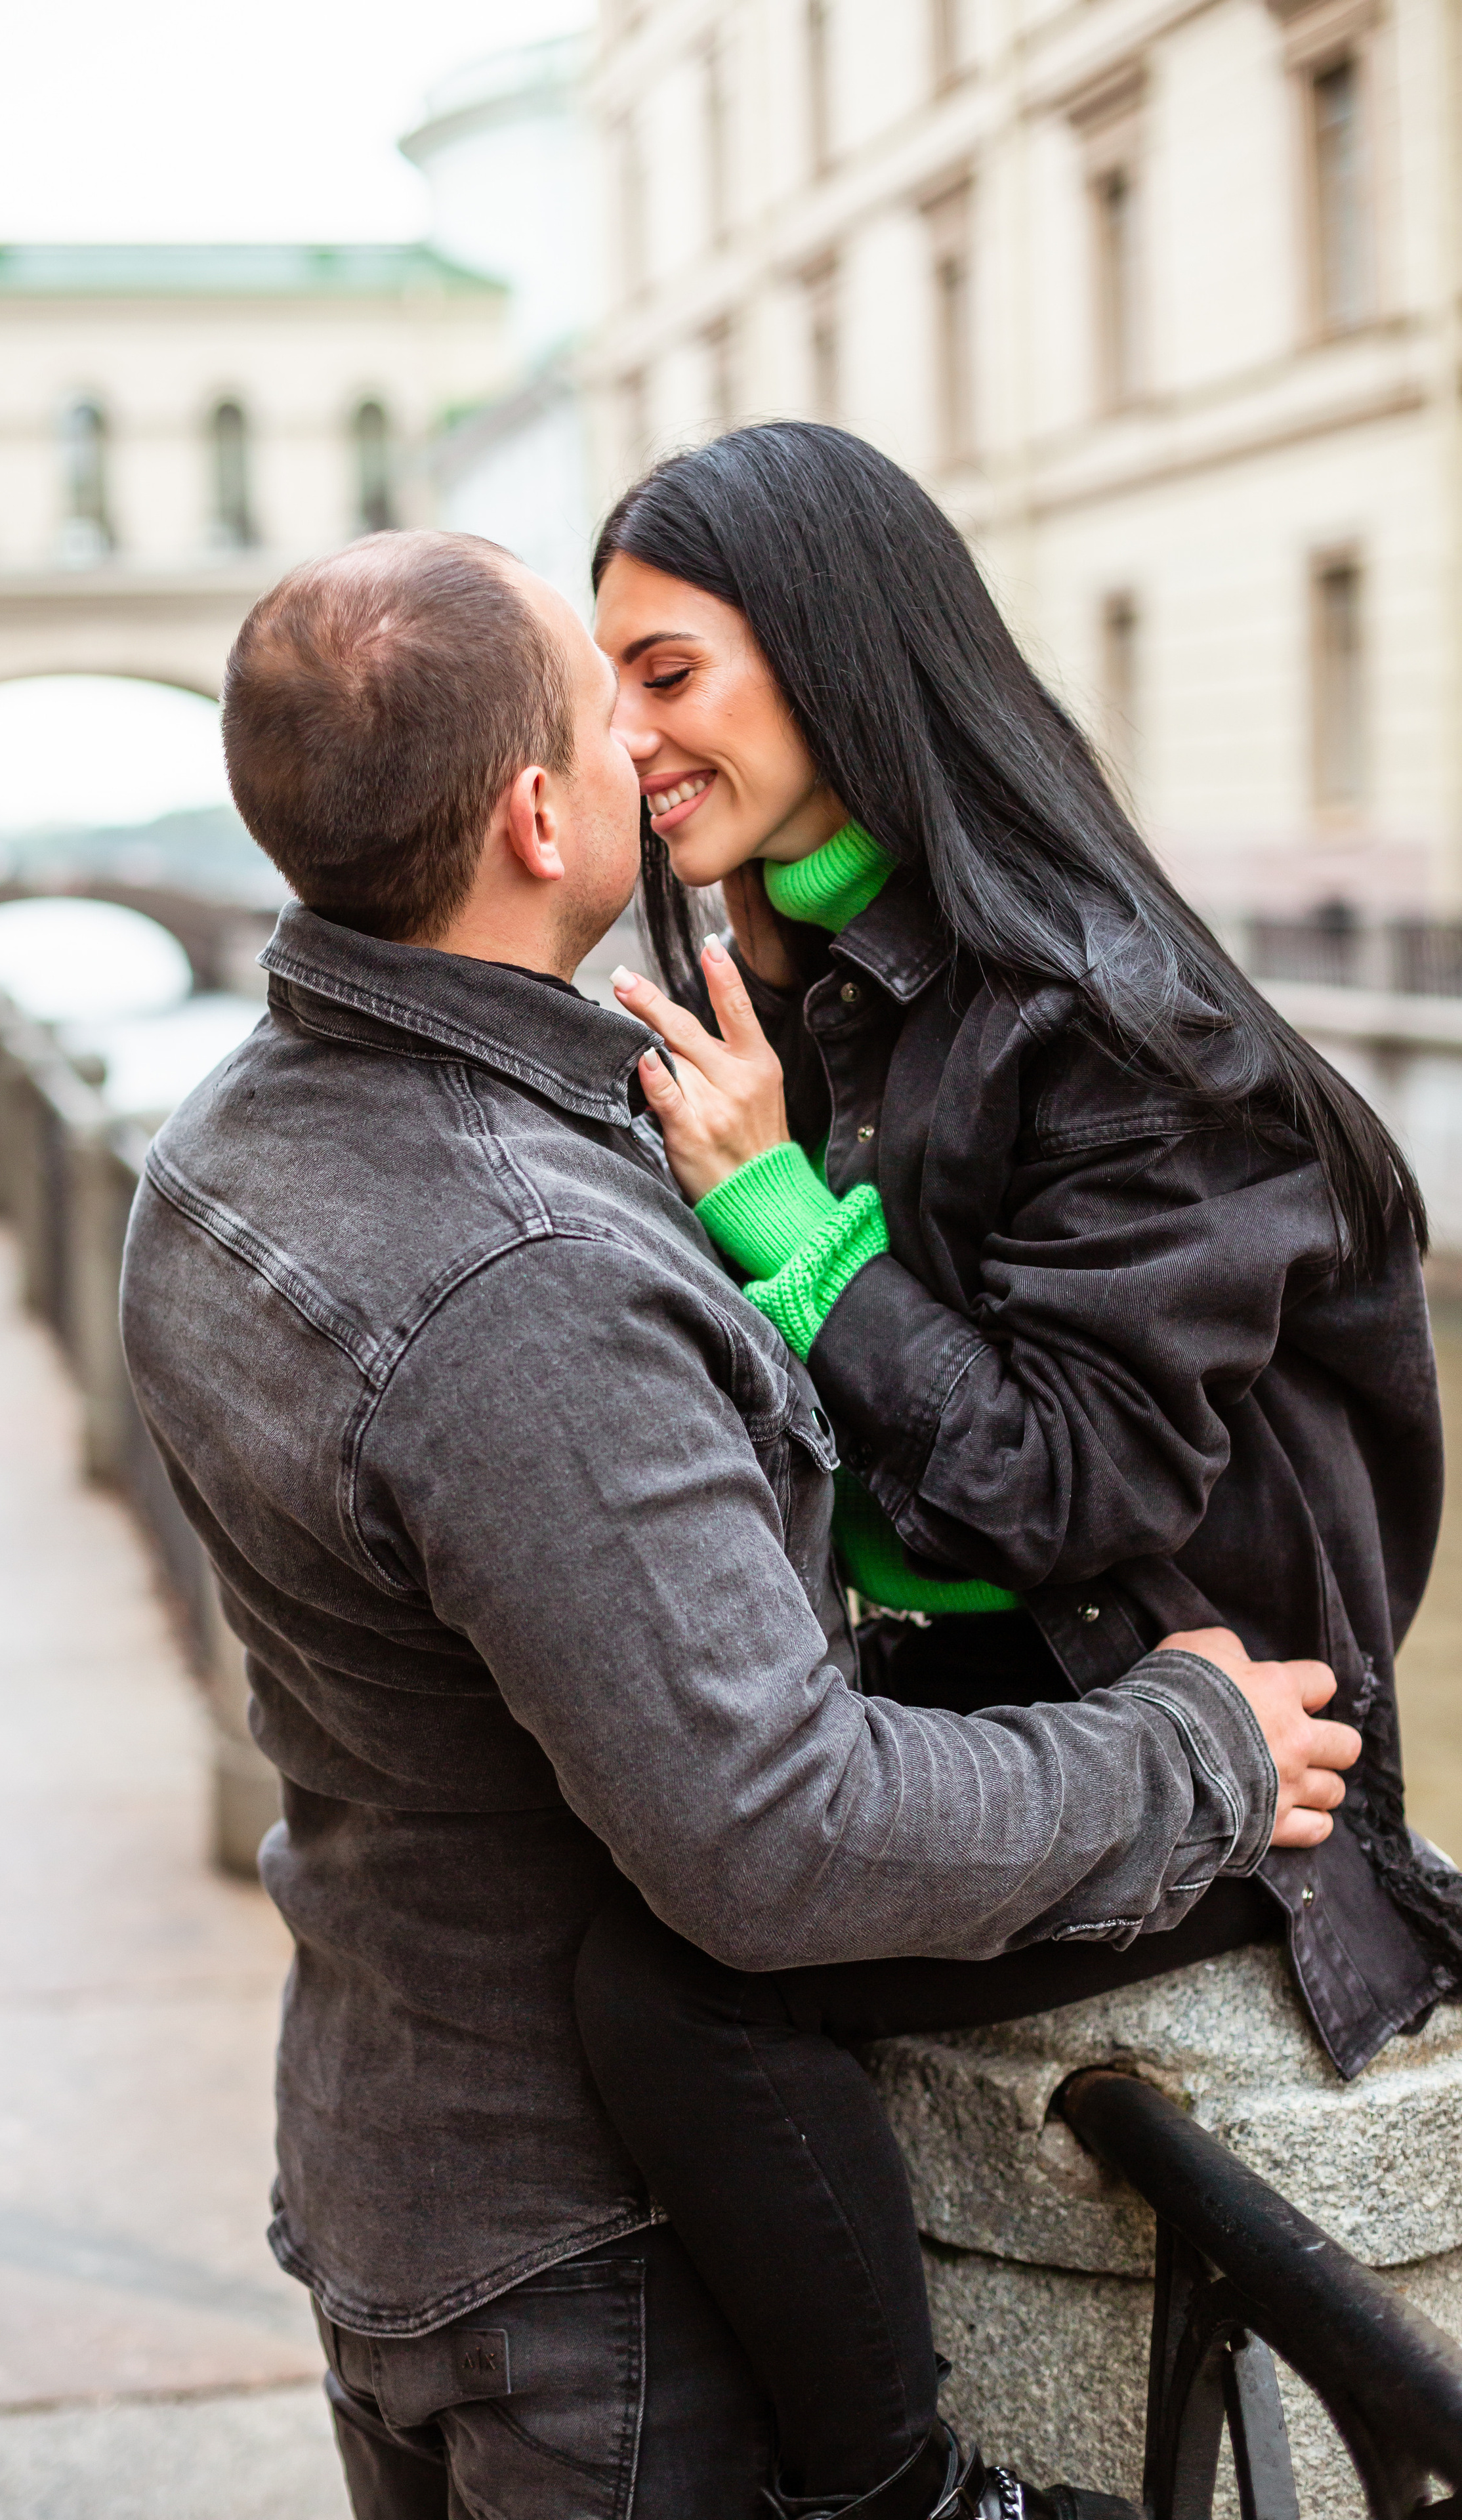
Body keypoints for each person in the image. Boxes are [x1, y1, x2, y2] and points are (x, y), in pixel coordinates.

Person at [120, 528, 1356, 2520]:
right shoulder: (520, 1276)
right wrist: (1191, 1750)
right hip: (587, 2274)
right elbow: (780, 1833)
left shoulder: (221, 1146)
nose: (639, 740)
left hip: (390, 2149)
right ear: (541, 819)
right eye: (599, 707)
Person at [572, 421, 1462, 2513]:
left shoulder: (1117, 1028)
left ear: (832, 651)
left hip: (1234, 1770)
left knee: (678, 1983)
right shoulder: (822, 985)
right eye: (606, 688)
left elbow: (1067, 1491)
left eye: (668, 675)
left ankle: (905, 2497)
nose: (625, 740)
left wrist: (788, 1225)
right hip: (993, 1703)